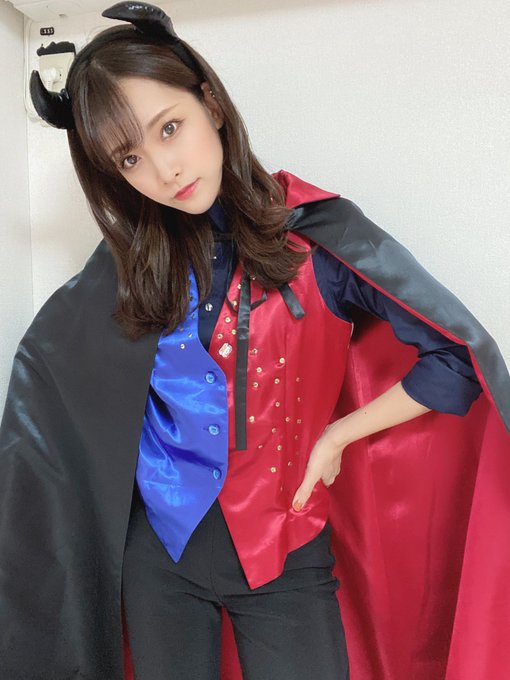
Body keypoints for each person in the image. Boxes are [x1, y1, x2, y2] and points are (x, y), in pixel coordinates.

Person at [1, 2, 509, 680]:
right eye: (130, 157)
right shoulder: (128, 266)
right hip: (158, 559)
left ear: (210, 103)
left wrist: (338, 435)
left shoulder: (318, 237)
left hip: (286, 549)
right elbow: (56, 388)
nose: (163, 169)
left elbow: (456, 356)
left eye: (169, 128)